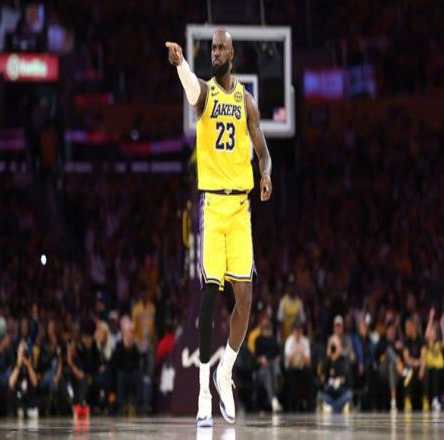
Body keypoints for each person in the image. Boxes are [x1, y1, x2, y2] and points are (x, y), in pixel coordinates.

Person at [166, 28, 272, 427]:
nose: (216, 52)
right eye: (212, 47)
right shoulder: (206, 95)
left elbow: (263, 150)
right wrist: (181, 65)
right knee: (210, 296)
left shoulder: (246, 101)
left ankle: (224, 371)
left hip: (240, 209)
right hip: (212, 206)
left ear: (233, 54)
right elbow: (191, 87)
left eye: (221, 47)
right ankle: (203, 394)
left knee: (245, 298)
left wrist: (266, 174)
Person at [283, 320, 314, 411]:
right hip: (291, 369)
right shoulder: (289, 341)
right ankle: (290, 407)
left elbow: (308, 362)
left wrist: (302, 352)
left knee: (310, 375)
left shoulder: (305, 341)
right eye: (296, 330)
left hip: (302, 369)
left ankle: (310, 407)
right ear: (293, 331)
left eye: (299, 330)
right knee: (290, 379)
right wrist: (295, 351)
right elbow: (288, 362)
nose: (298, 332)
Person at [319, 335, 352, 414]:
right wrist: (329, 359)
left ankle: (331, 409)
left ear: (340, 347)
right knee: (320, 396)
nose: (333, 348)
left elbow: (345, 374)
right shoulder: (326, 360)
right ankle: (339, 408)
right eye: (332, 346)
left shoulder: (344, 360)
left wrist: (335, 359)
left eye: (335, 346)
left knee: (349, 395)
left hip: (341, 393)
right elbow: (321, 377)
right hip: (329, 394)